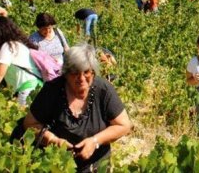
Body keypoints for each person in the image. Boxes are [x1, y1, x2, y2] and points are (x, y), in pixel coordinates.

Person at [23, 44, 133, 172]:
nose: (81, 78)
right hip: (57, 164)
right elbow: (30, 123)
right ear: (66, 73)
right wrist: (54, 141)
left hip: (96, 166)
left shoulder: (103, 90)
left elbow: (124, 125)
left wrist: (95, 141)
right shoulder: (52, 90)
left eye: (86, 72)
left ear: (93, 71)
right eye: (75, 73)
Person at [0, 17, 42, 106]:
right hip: (35, 87)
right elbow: (1, 70)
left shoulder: (7, 46)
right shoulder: (16, 44)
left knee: (24, 118)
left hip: (27, 89)